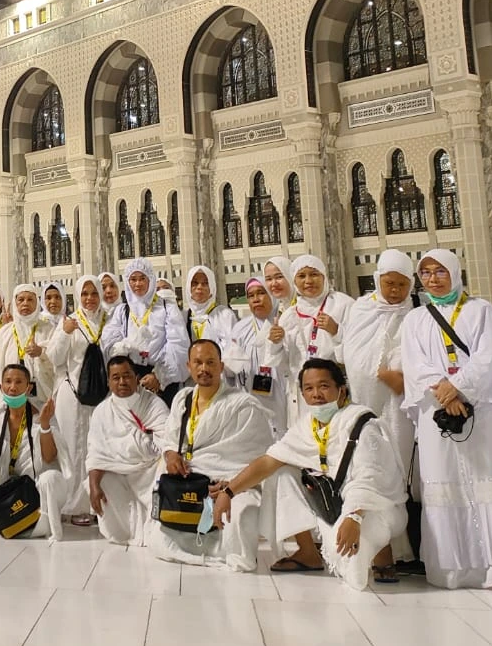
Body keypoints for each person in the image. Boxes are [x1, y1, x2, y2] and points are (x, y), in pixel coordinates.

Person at [402, 248, 492, 591]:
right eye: (427, 273)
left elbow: (490, 357)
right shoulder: (415, 319)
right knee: (446, 483)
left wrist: (458, 387)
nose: (433, 278)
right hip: (437, 410)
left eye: (440, 271)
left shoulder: (480, 310)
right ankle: (455, 568)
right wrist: (443, 393)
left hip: (482, 409)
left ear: (455, 272)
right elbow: (415, 364)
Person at [215, 358, 407, 591]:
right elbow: (268, 461)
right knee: (281, 473)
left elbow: (373, 477)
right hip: (336, 504)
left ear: (341, 390)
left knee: (353, 574)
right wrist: (229, 491)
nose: (316, 394)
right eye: (309, 388)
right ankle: (308, 553)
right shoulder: (309, 425)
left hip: (373, 507)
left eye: (324, 386)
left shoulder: (361, 423)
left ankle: (382, 550)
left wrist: (355, 517)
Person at [153, 339, 275, 571]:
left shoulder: (243, 406)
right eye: (198, 362)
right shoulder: (182, 398)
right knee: (160, 540)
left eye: (210, 362)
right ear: (188, 366)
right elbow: (170, 438)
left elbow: (258, 456)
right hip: (189, 480)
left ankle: (224, 554)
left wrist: (231, 485)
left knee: (243, 510)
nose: (204, 369)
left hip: (228, 484)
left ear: (221, 366)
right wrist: (170, 455)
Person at [339, 248, 419, 578]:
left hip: (400, 408)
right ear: (378, 280)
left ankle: (404, 549)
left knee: (401, 472)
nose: (395, 290)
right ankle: (376, 549)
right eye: (389, 283)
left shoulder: (416, 312)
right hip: (368, 406)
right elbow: (351, 354)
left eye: (401, 284)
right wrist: (378, 371)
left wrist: (400, 370)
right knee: (369, 469)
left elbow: (417, 352)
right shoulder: (362, 308)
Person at [47, 274, 112, 527]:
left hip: (103, 396)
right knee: (74, 451)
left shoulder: (109, 321)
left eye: (94, 293)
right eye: (84, 294)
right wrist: (64, 333)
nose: (89, 299)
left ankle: (99, 503)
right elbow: (54, 358)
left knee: (98, 448)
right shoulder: (69, 322)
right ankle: (75, 505)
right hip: (72, 395)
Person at [86, 354, 171, 547]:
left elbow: (168, 441)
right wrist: (93, 486)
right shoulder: (102, 411)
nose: (122, 382)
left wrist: (139, 444)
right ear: (108, 382)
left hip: (150, 469)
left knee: (166, 467)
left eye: (127, 376)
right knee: (101, 480)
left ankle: (157, 531)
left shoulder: (154, 404)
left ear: (136, 377)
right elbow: (96, 452)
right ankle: (126, 533)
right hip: (120, 471)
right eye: (116, 378)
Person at [0, 363, 65, 539]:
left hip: (35, 490)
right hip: (7, 489)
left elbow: (49, 458)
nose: (13, 387)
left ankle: (49, 528)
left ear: (28, 387)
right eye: (8, 381)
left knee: (50, 478)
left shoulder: (41, 414)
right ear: (0, 386)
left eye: (19, 382)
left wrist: (45, 425)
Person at [105, 257, 185, 404]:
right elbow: (109, 342)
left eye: (142, 278)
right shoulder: (122, 311)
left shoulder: (166, 308)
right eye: (133, 279)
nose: (137, 284)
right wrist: (123, 347)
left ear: (150, 279)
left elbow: (178, 344)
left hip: (161, 379)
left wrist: (159, 376)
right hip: (130, 378)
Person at [224, 276, 291, 434]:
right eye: (251, 295)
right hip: (249, 395)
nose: (256, 299)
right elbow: (229, 371)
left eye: (261, 293)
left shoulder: (286, 322)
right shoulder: (241, 328)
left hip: (281, 395)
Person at [278, 256, 348, 402]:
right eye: (301, 276)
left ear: (324, 277)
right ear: (294, 281)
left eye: (314, 274)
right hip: (301, 394)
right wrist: (275, 343)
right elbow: (281, 363)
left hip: (333, 390)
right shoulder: (289, 316)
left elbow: (356, 352)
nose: (308, 281)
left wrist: (336, 331)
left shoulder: (342, 305)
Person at [0, 285, 57, 410]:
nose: (25, 303)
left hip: (42, 398)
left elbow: (58, 362)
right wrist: (0, 399)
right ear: (15, 303)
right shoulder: (4, 332)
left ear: (37, 303)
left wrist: (41, 353)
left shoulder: (48, 329)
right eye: (21, 300)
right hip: (11, 398)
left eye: (30, 300)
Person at [180, 264, 237, 350]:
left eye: (205, 283)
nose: (199, 287)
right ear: (188, 288)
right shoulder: (182, 318)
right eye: (195, 283)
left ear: (212, 288)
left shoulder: (225, 315)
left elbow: (233, 349)